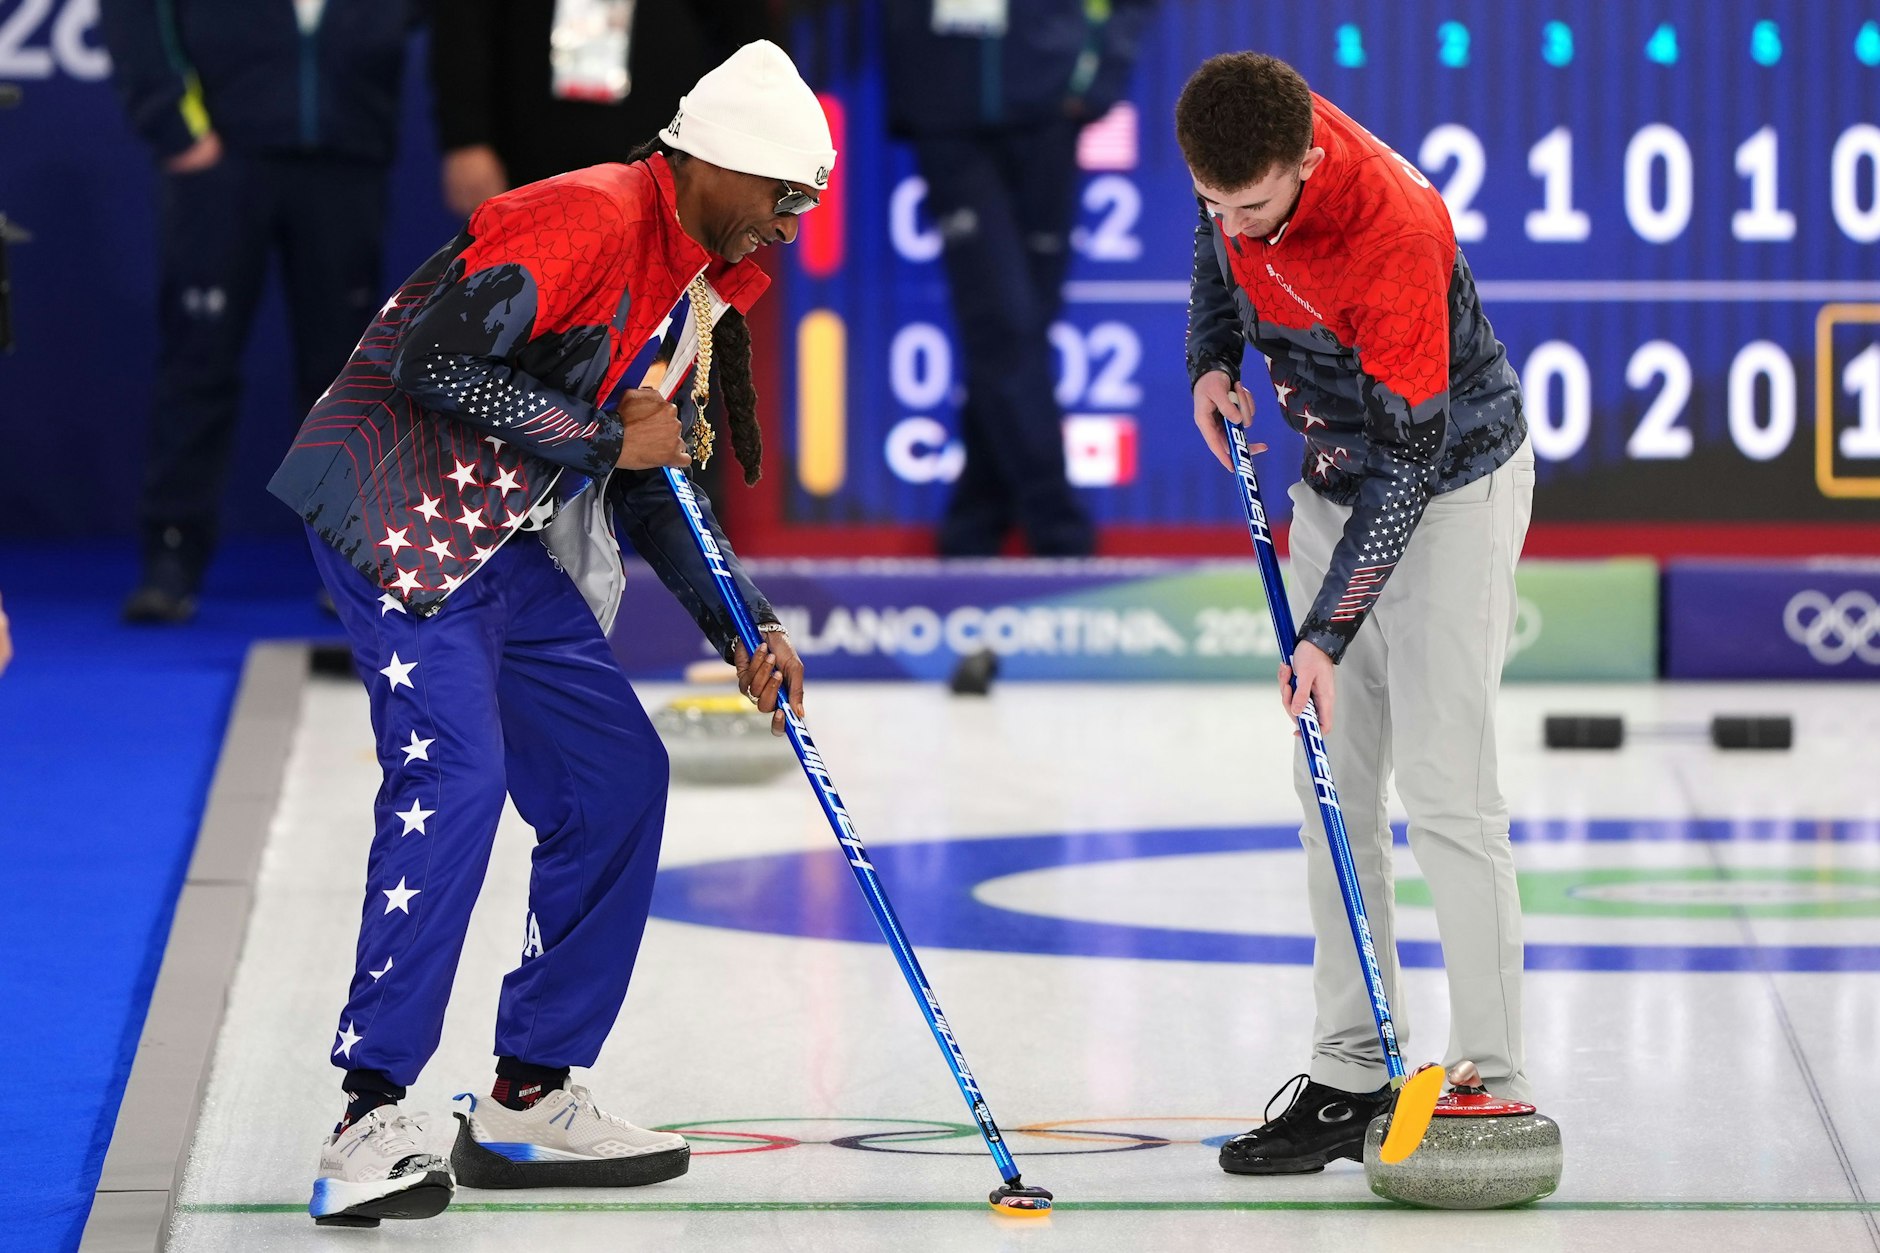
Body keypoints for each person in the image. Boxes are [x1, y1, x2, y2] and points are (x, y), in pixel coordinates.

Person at [266, 40, 832, 1226]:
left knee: (616, 777)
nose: (789, 222)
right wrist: (596, 439)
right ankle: (369, 1111)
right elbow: (435, 361)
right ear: (717, 164)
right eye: (784, 195)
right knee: (457, 780)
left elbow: (652, 474)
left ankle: (528, 1090)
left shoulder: (696, 284)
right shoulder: (582, 215)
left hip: (501, 536)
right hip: (396, 516)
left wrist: (746, 619)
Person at [1176, 52, 1536, 1175]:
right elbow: (1214, 245)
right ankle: (1349, 1068)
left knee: (1444, 788)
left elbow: (1411, 460)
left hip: (1449, 489)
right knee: (1329, 783)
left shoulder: (1392, 231)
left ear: (1310, 164)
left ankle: (1488, 1075)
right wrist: (1209, 357)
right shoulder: (1244, 147)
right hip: (1333, 479)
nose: (1234, 223)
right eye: (1214, 202)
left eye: (1255, 205)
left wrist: (1325, 632)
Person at [99, 0, 415, 624]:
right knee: (198, 361)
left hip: (346, 154)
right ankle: (172, 553)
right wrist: (173, 123)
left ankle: (354, 561)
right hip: (224, 160)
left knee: (350, 376)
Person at [884, 0, 1153, 557]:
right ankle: (1059, 533)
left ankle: (973, 526)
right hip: (948, 112)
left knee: (1019, 330)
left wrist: (1100, 74)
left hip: (1048, 110)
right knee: (1004, 325)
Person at [430, 0, 775, 219]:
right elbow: (464, 17)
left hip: (663, 140)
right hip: (528, 140)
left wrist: (754, 140)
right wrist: (467, 137)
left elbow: (749, 25)